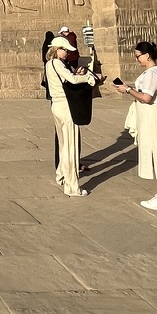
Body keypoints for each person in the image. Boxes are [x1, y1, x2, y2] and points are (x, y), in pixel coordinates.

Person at [115, 41, 157, 212]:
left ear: (147, 55)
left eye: (138, 56)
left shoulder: (152, 74)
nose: (137, 60)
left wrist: (128, 90)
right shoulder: (150, 73)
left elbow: (147, 98)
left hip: (152, 116)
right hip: (148, 116)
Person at [45, 35, 98, 196]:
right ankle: (72, 186)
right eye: (66, 51)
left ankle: (61, 174)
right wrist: (90, 77)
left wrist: (77, 73)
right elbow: (73, 80)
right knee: (71, 146)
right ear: (57, 50)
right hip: (66, 106)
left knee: (63, 143)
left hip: (57, 105)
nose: (68, 53)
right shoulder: (57, 63)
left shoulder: (50, 64)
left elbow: (67, 79)